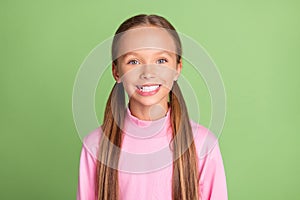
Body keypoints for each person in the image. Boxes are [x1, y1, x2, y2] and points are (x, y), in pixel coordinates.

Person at [76, 14, 228, 200]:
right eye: (134, 61)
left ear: (177, 69)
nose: (148, 73)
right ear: (117, 72)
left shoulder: (203, 143)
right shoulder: (95, 145)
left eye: (161, 61)